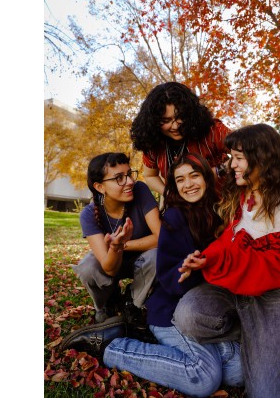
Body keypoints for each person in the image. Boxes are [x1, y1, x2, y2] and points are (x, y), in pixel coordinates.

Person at [62, 154, 243, 397]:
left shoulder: (220, 212)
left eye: (195, 175)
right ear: (99, 186)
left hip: (199, 310)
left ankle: (137, 319)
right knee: (203, 379)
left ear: (207, 178)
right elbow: (113, 268)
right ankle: (111, 344)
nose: (188, 184)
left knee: (237, 372)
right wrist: (117, 246)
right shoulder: (175, 217)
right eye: (180, 179)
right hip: (172, 310)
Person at [173, 124, 280, 398]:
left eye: (238, 158)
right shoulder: (241, 195)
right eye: (231, 157)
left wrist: (219, 262)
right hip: (234, 288)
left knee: (267, 393)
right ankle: (273, 341)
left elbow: (266, 265)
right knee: (188, 316)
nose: (232, 165)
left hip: (269, 295)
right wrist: (205, 259)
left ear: (261, 157)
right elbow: (230, 239)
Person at [72, 152, 161, 323]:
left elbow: (161, 238)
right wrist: (115, 248)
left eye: (129, 174)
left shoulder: (140, 190)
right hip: (112, 263)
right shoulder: (88, 214)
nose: (129, 182)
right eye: (119, 178)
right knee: (87, 267)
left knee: (157, 255)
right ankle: (107, 303)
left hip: (142, 260)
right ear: (100, 187)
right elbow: (109, 268)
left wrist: (122, 244)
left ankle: (133, 301)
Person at [130, 81, 231, 196]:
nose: (175, 126)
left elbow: (246, 151)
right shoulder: (152, 144)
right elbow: (150, 175)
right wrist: (170, 195)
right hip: (185, 210)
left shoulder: (213, 130)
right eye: (166, 121)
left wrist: (218, 171)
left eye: (180, 117)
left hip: (225, 201)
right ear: (153, 122)